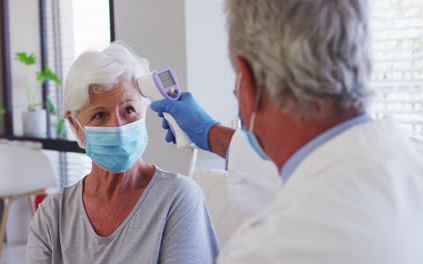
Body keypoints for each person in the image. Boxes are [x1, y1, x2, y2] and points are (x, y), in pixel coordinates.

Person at [150, 0, 423, 263]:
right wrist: (210, 134)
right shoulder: (409, 163)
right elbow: (316, 172)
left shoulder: (267, 250)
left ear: (247, 78)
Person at [26, 41, 219, 264]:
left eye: (128, 109)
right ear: (76, 126)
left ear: (144, 110)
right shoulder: (53, 216)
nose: (117, 126)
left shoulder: (178, 198)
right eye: (100, 115)